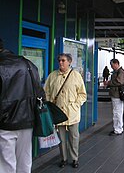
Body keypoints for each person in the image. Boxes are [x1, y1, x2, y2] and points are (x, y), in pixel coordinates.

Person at [0, 38, 45, 173]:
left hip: (5, 123)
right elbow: (40, 92)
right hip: (27, 121)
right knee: (25, 162)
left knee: (6, 165)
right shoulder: (27, 63)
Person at [44, 53, 87, 169]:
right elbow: (46, 92)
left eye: (63, 60)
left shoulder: (76, 76)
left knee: (74, 137)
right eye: (59, 60)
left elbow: (82, 94)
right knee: (61, 139)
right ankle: (63, 158)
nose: (61, 63)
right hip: (58, 113)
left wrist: (76, 104)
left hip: (72, 113)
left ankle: (74, 158)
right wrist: (49, 104)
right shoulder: (52, 76)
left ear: (69, 62)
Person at [105, 59, 124, 136]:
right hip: (115, 94)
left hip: (117, 95)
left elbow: (119, 81)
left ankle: (118, 130)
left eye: (112, 65)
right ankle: (117, 128)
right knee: (117, 112)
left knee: (117, 112)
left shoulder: (120, 72)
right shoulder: (117, 72)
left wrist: (109, 83)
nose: (111, 67)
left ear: (116, 64)